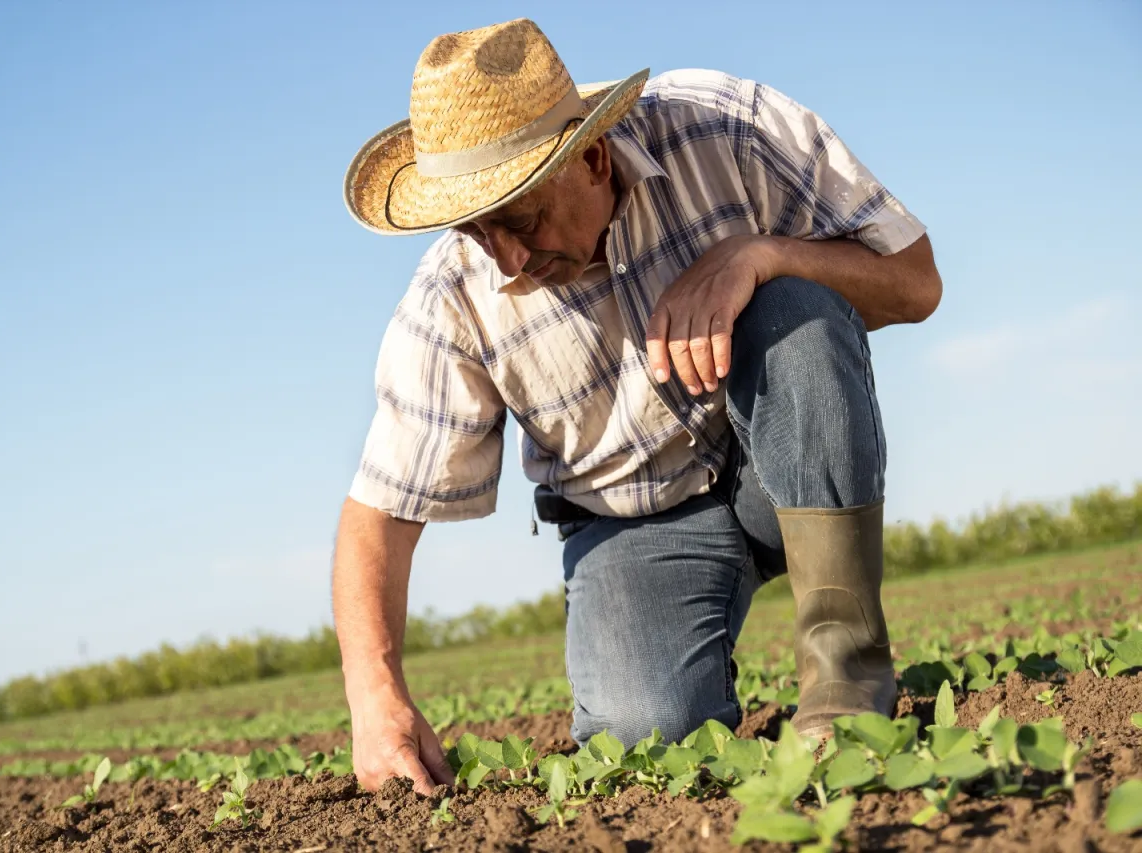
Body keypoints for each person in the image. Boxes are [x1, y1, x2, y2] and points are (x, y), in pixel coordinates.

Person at [333, 18, 942, 796]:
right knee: (642, 737)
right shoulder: (452, 299)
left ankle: (847, 682)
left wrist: (758, 255)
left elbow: (916, 284)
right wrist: (374, 692)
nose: (509, 258)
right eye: (479, 230)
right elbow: (378, 512)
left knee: (796, 308)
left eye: (521, 220)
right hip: (635, 522)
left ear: (590, 155)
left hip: (779, 458)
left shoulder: (728, 130)